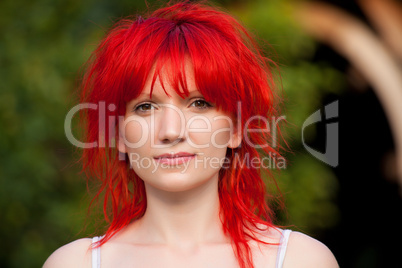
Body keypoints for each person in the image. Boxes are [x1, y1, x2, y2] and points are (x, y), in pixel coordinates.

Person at [44, 1, 339, 268]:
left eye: (199, 103)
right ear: (119, 133)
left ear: (236, 129)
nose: (171, 131)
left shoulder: (298, 260)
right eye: (145, 107)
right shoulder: (74, 263)